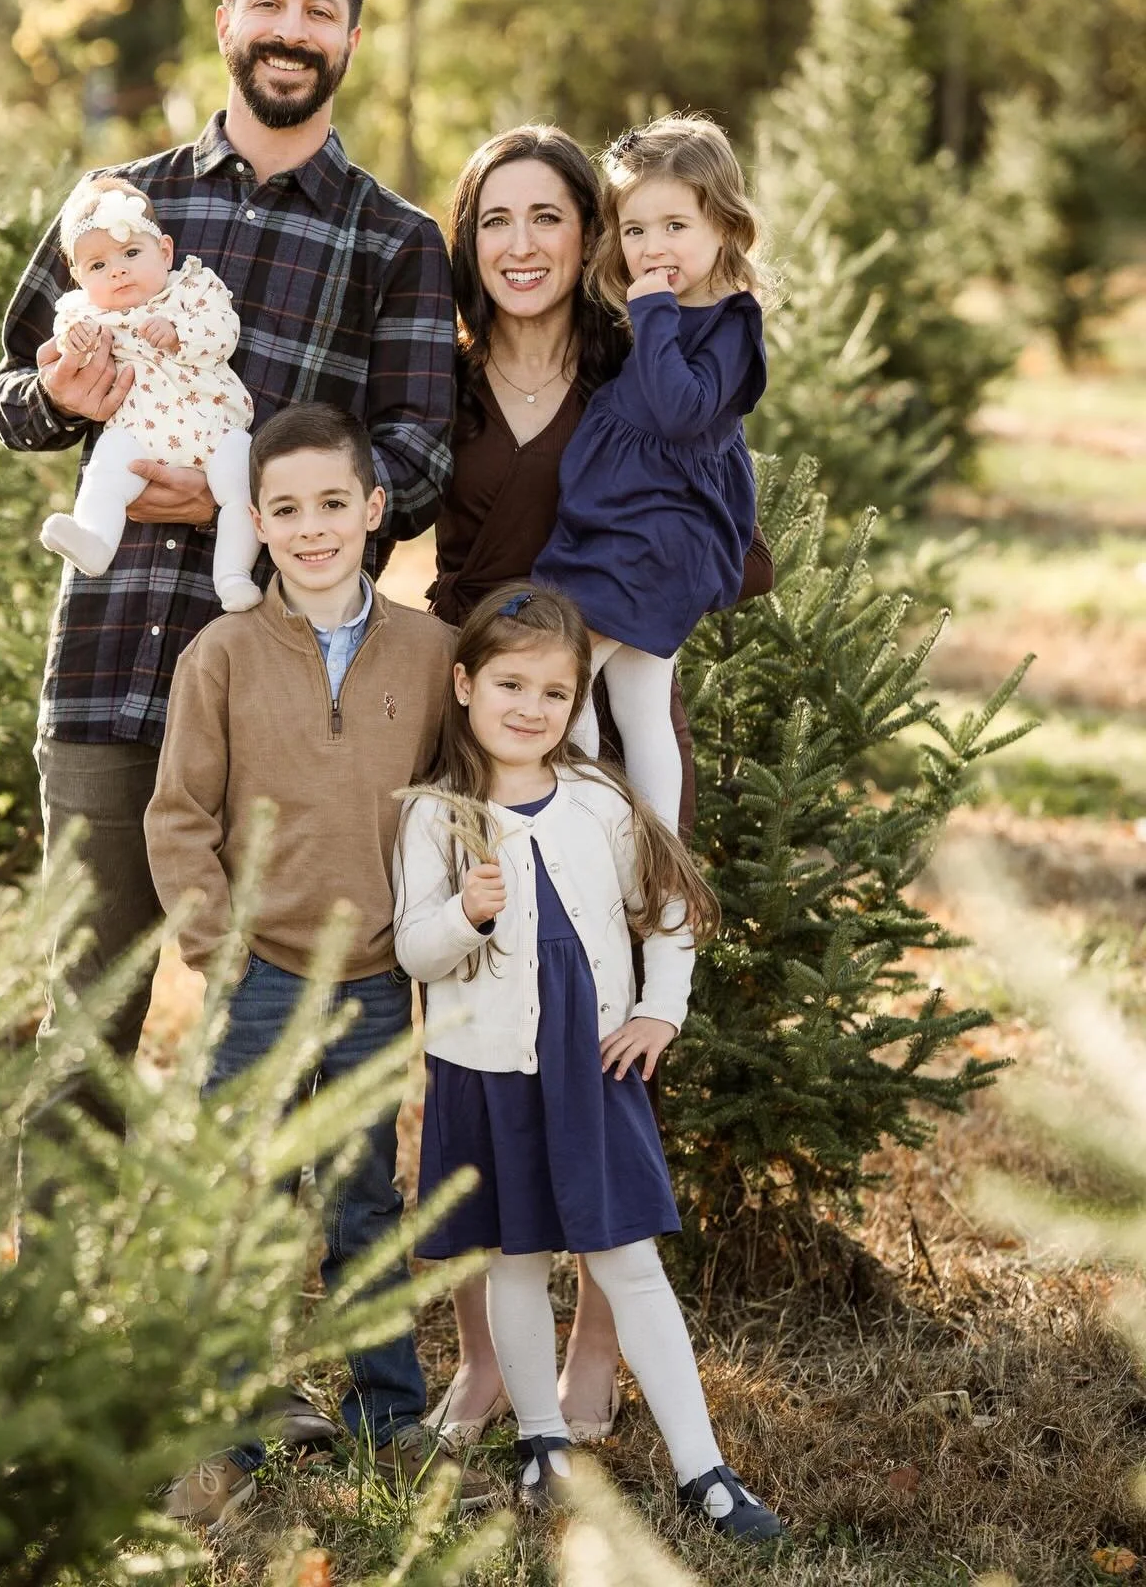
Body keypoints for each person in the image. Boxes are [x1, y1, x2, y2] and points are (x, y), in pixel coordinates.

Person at [0, 0, 454, 1109]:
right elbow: (7, 399)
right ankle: (60, 1289)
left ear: (350, 34)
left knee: (293, 1016)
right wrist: (55, 396)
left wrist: (253, 504)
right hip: (111, 664)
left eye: (319, 10)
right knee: (88, 1010)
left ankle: (267, 1288)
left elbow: (417, 455)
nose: (292, 32)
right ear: (226, 23)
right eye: (272, 4)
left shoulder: (393, 242)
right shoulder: (116, 206)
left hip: (293, 700)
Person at [425, 124, 774, 1450]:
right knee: (474, 1053)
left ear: (593, 237)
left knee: (607, 1043)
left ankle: (589, 1367)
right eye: (495, 220)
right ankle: (479, 1362)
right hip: (485, 741)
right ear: (474, 241)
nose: (522, 245)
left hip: (617, 727)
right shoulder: (443, 383)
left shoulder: (645, 357)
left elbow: (714, 504)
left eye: (549, 219)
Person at [144, 406, 493, 1529]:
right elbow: (179, 819)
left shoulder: (431, 656)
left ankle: (386, 1417)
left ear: (374, 510)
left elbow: (464, 802)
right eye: (285, 511)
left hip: (377, 977)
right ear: (256, 522)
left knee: (359, 1199)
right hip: (260, 975)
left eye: (332, 505)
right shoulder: (225, 655)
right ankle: (227, 1425)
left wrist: (443, 929)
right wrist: (219, 950)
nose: (310, 529)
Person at [393, 584, 782, 1539]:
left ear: (577, 704)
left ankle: (705, 1470)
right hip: (484, 1066)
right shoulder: (435, 816)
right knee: (516, 1256)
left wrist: (661, 1009)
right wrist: (462, 916)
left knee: (627, 1260)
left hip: (594, 1063)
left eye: (554, 694)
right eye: (509, 684)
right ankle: (541, 1441)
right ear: (465, 683)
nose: (529, 708)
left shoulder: (601, 801)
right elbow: (412, 950)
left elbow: (672, 906)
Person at [534, 113, 769, 834]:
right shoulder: (651, 311)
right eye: (635, 230)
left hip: (658, 538)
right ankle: (635, 846)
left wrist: (657, 311)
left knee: (562, 678)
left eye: (674, 226)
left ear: (724, 227)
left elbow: (680, 410)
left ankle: (591, 830)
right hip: (614, 528)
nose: (652, 247)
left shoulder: (729, 321)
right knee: (636, 704)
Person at [39, 175, 260, 607]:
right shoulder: (87, 313)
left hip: (213, 426)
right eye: (98, 267)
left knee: (241, 486)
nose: (117, 271)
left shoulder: (193, 290)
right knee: (104, 472)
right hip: (137, 433)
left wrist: (178, 333)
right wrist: (76, 343)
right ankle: (95, 542)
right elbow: (65, 343)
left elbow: (223, 331)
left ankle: (233, 576)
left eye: (131, 253)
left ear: (165, 252)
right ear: (80, 279)